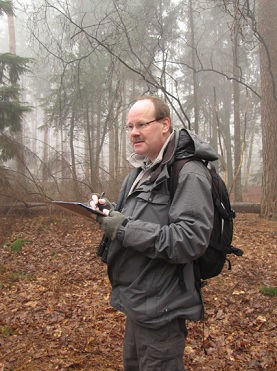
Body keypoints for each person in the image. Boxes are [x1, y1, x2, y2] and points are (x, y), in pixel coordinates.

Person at [89, 96, 218, 370]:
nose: (133, 132)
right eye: (129, 126)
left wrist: (122, 228)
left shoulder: (188, 172)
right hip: (137, 302)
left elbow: (189, 240)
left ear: (164, 125)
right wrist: (108, 212)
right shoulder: (142, 171)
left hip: (162, 308)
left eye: (141, 124)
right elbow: (139, 219)